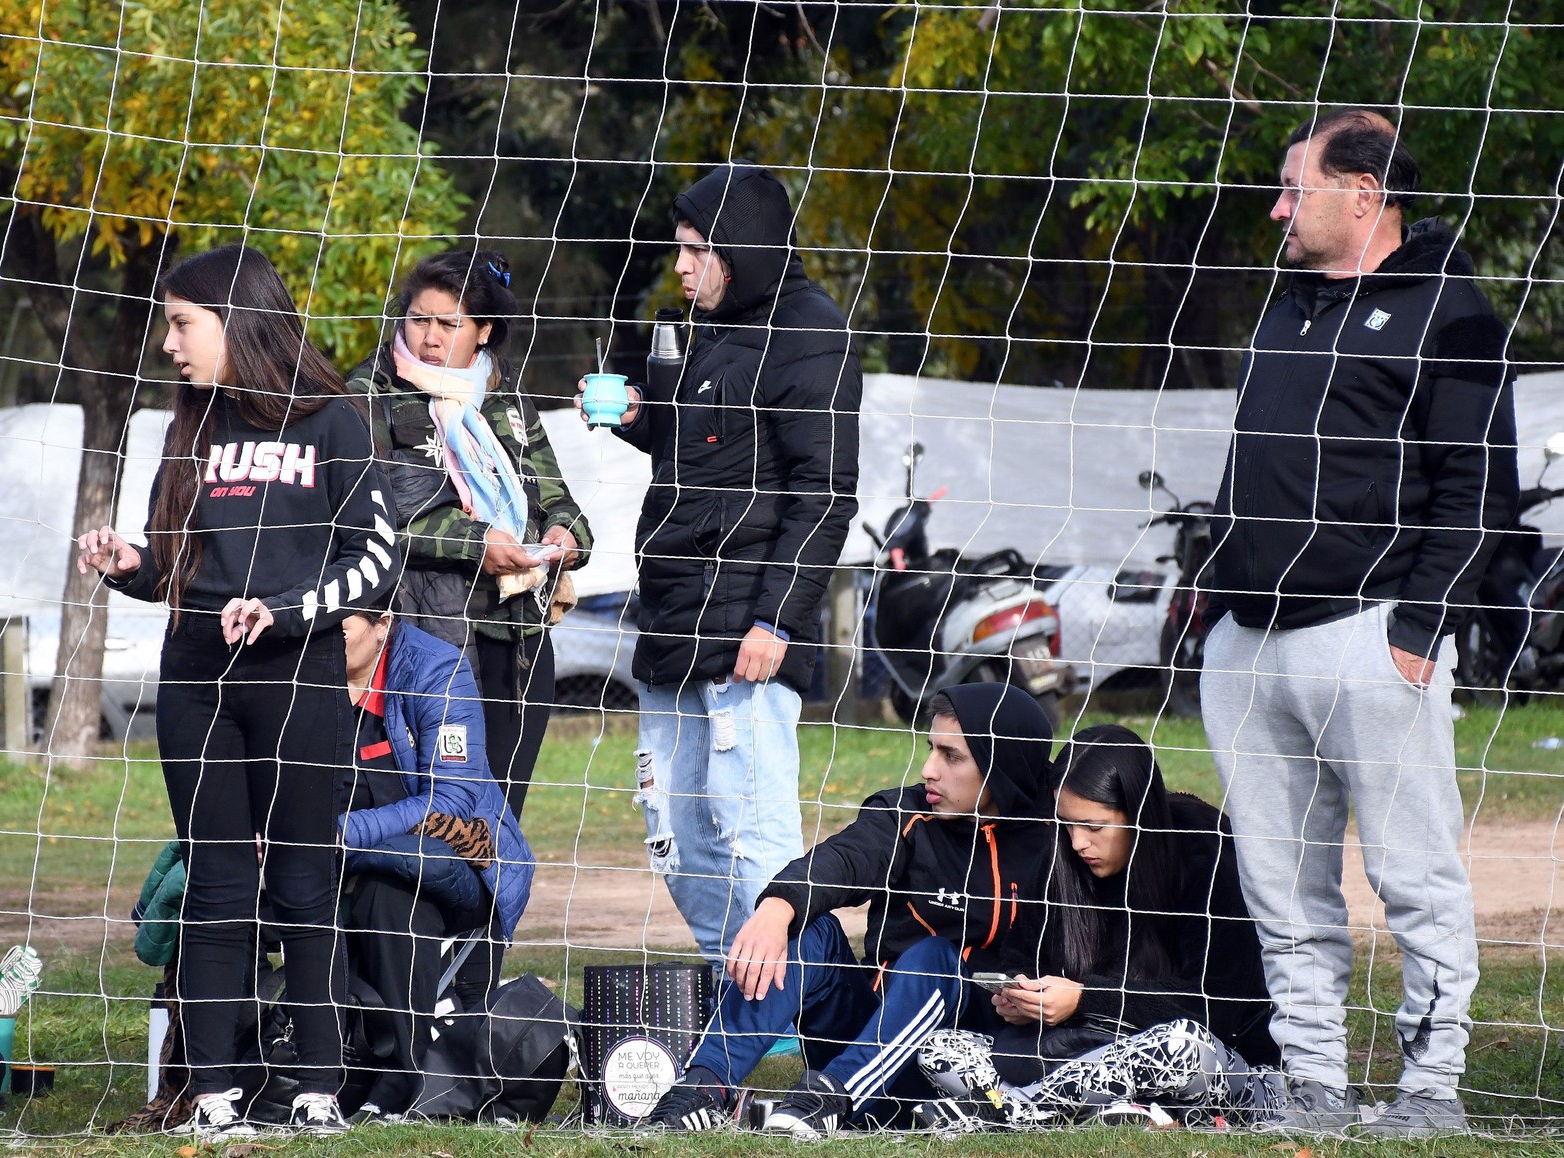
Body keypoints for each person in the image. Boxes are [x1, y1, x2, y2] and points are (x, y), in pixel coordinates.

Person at [1199, 108, 1519, 1138]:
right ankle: (1311, 1083)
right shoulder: (1285, 305)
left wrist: (1418, 628)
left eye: (1295, 188)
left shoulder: (1453, 310)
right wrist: (1212, 585)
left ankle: (1430, 1093)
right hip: (1247, 646)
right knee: (1279, 887)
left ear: (1362, 194)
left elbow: (1478, 490)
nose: (1276, 207)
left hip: (1370, 636)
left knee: (1412, 877)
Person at [77, 244, 403, 1140]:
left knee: (304, 884)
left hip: (295, 680)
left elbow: (375, 560)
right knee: (217, 884)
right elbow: (172, 563)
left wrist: (290, 611)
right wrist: (128, 562)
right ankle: (213, 1093)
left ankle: (317, 1090)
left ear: (239, 319)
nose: (170, 344)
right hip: (197, 683)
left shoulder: (336, 420)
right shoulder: (190, 428)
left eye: (183, 324)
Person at [578, 163, 861, 962]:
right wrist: (639, 416)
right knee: (674, 828)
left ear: (741, 248)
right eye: (678, 249)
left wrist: (778, 618)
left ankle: (812, 1009)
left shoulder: (811, 331)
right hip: (672, 615)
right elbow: (709, 452)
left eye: (696, 250)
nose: (680, 266)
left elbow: (823, 493)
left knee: (750, 832)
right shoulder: (713, 328)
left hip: (747, 632)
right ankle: (731, 999)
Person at [640, 683, 1053, 1138]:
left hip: (975, 1070)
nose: (928, 770)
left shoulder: (1062, 839)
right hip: (870, 1040)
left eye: (951, 756)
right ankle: (702, 1089)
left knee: (934, 959)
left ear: (1002, 766)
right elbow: (847, 857)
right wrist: (778, 906)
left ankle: (829, 1100)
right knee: (805, 929)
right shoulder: (908, 813)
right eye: (931, 749)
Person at [913, 725, 1278, 1131]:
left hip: (1214, 1065)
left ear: (1137, 814)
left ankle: (1016, 1111)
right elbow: (1021, 954)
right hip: (1081, 1052)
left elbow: (1221, 1008)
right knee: (940, 1049)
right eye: (1067, 824)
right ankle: (1092, 1111)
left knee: (1180, 1045)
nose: (1077, 843)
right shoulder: (1061, 860)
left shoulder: (1204, 853)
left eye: (1094, 826)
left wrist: (1087, 999)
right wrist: (1022, 997)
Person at [347, 248, 592, 822]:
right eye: (419, 319)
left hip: (519, 639)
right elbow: (377, 511)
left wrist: (563, 535)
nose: (430, 337)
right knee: (435, 813)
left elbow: (562, 501)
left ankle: (491, 916)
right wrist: (478, 543)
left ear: (483, 331)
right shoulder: (371, 393)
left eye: (449, 324)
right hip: (425, 638)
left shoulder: (506, 402)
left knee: (501, 816)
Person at [335, 604, 534, 1117]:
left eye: (341, 628)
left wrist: (338, 834)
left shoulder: (436, 668)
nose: (326, 642)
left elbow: (451, 801)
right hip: (339, 860)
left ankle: (396, 1079)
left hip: (453, 857)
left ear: (382, 622)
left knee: (389, 900)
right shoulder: (302, 672)